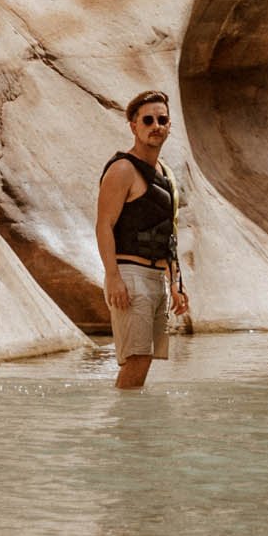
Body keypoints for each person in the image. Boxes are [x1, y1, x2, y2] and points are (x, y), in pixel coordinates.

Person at [96, 89, 189, 388]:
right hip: (130, 275)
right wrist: (113, 277)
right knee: (136, 357)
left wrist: (175, 285)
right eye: (147, 120)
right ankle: (122, 429)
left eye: (162, 119)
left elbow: (168, 233)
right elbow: (104, 226)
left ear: (169, 125)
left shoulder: (166, 175)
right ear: (134, 126)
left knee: (145, 360)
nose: (155, 126)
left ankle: (133, 427)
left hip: (155, 278)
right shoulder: (122, 169)